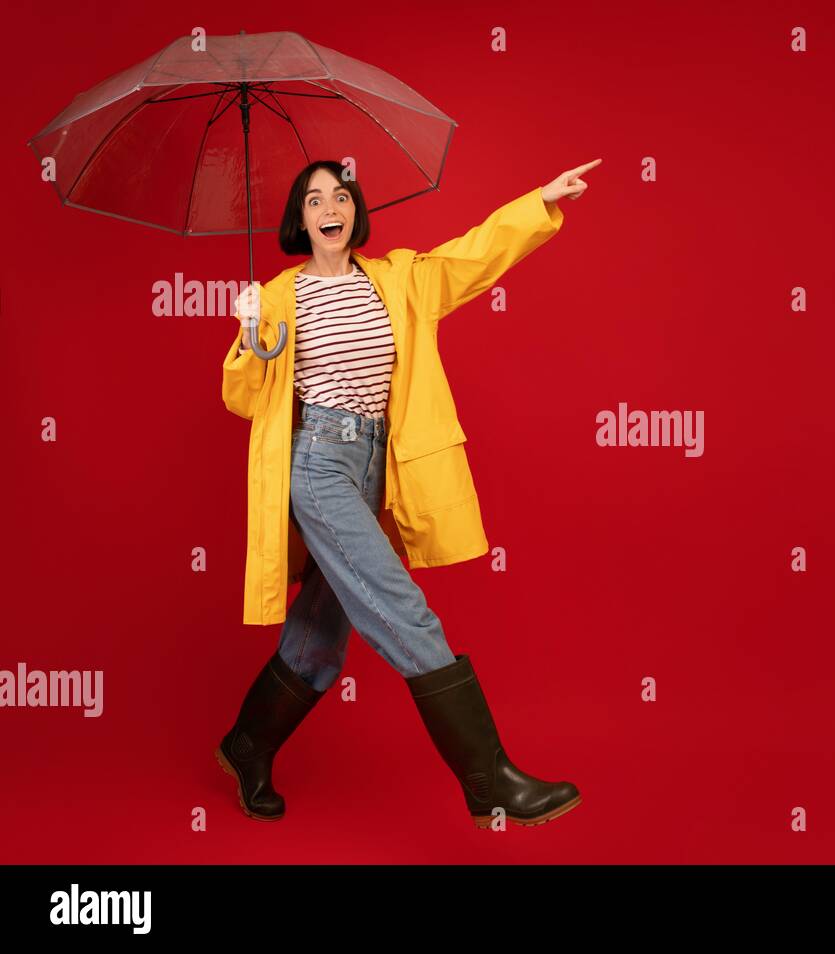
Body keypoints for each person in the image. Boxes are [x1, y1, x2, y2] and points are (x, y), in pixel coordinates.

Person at [215, 157, 600, 829]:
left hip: (373, 469)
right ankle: (490, 781)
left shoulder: (397, 279)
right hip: (319, 468)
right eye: (312, 200)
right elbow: (244, 397)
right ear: (300, 220)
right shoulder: (278, 296)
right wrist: (250, 333)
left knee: (317, 647)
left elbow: (472, 256)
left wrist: (538, 201)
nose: (328, 206)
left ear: (354, 211)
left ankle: (245, 747)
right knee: (406, 612)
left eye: (339, 195)